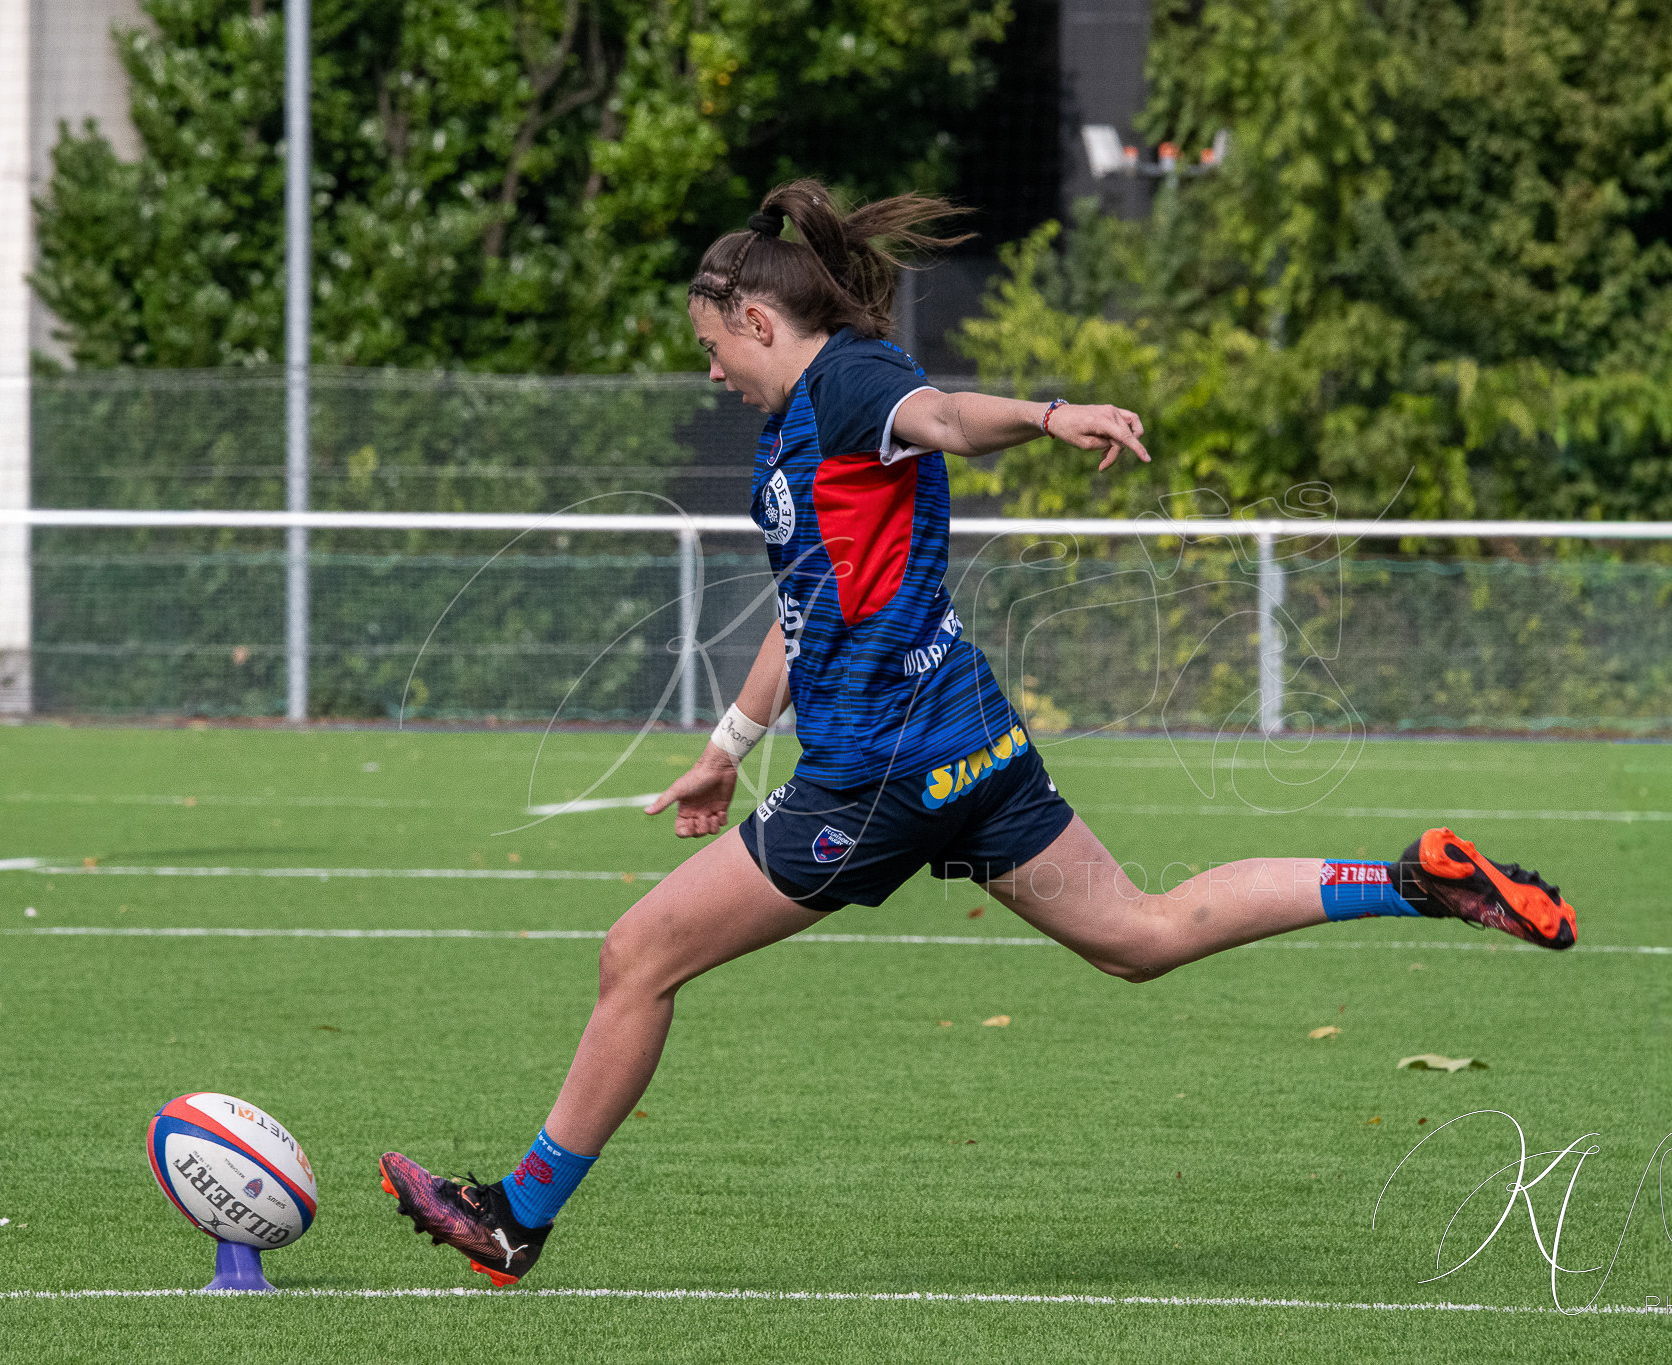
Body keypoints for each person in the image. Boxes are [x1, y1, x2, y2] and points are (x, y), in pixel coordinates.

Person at [378, 181, 1577, 1286]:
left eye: (708, 347)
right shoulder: (798, 431)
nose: (708, 374)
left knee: (636, 958)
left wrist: (1048, 415)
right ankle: (1414, 882)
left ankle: (514, 1218)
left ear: (753, 317)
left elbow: (944, 415)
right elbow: (806, 612)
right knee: (1138, 937)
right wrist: (727, 750)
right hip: (970, 749)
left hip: (873, 783)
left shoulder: (847, 383)